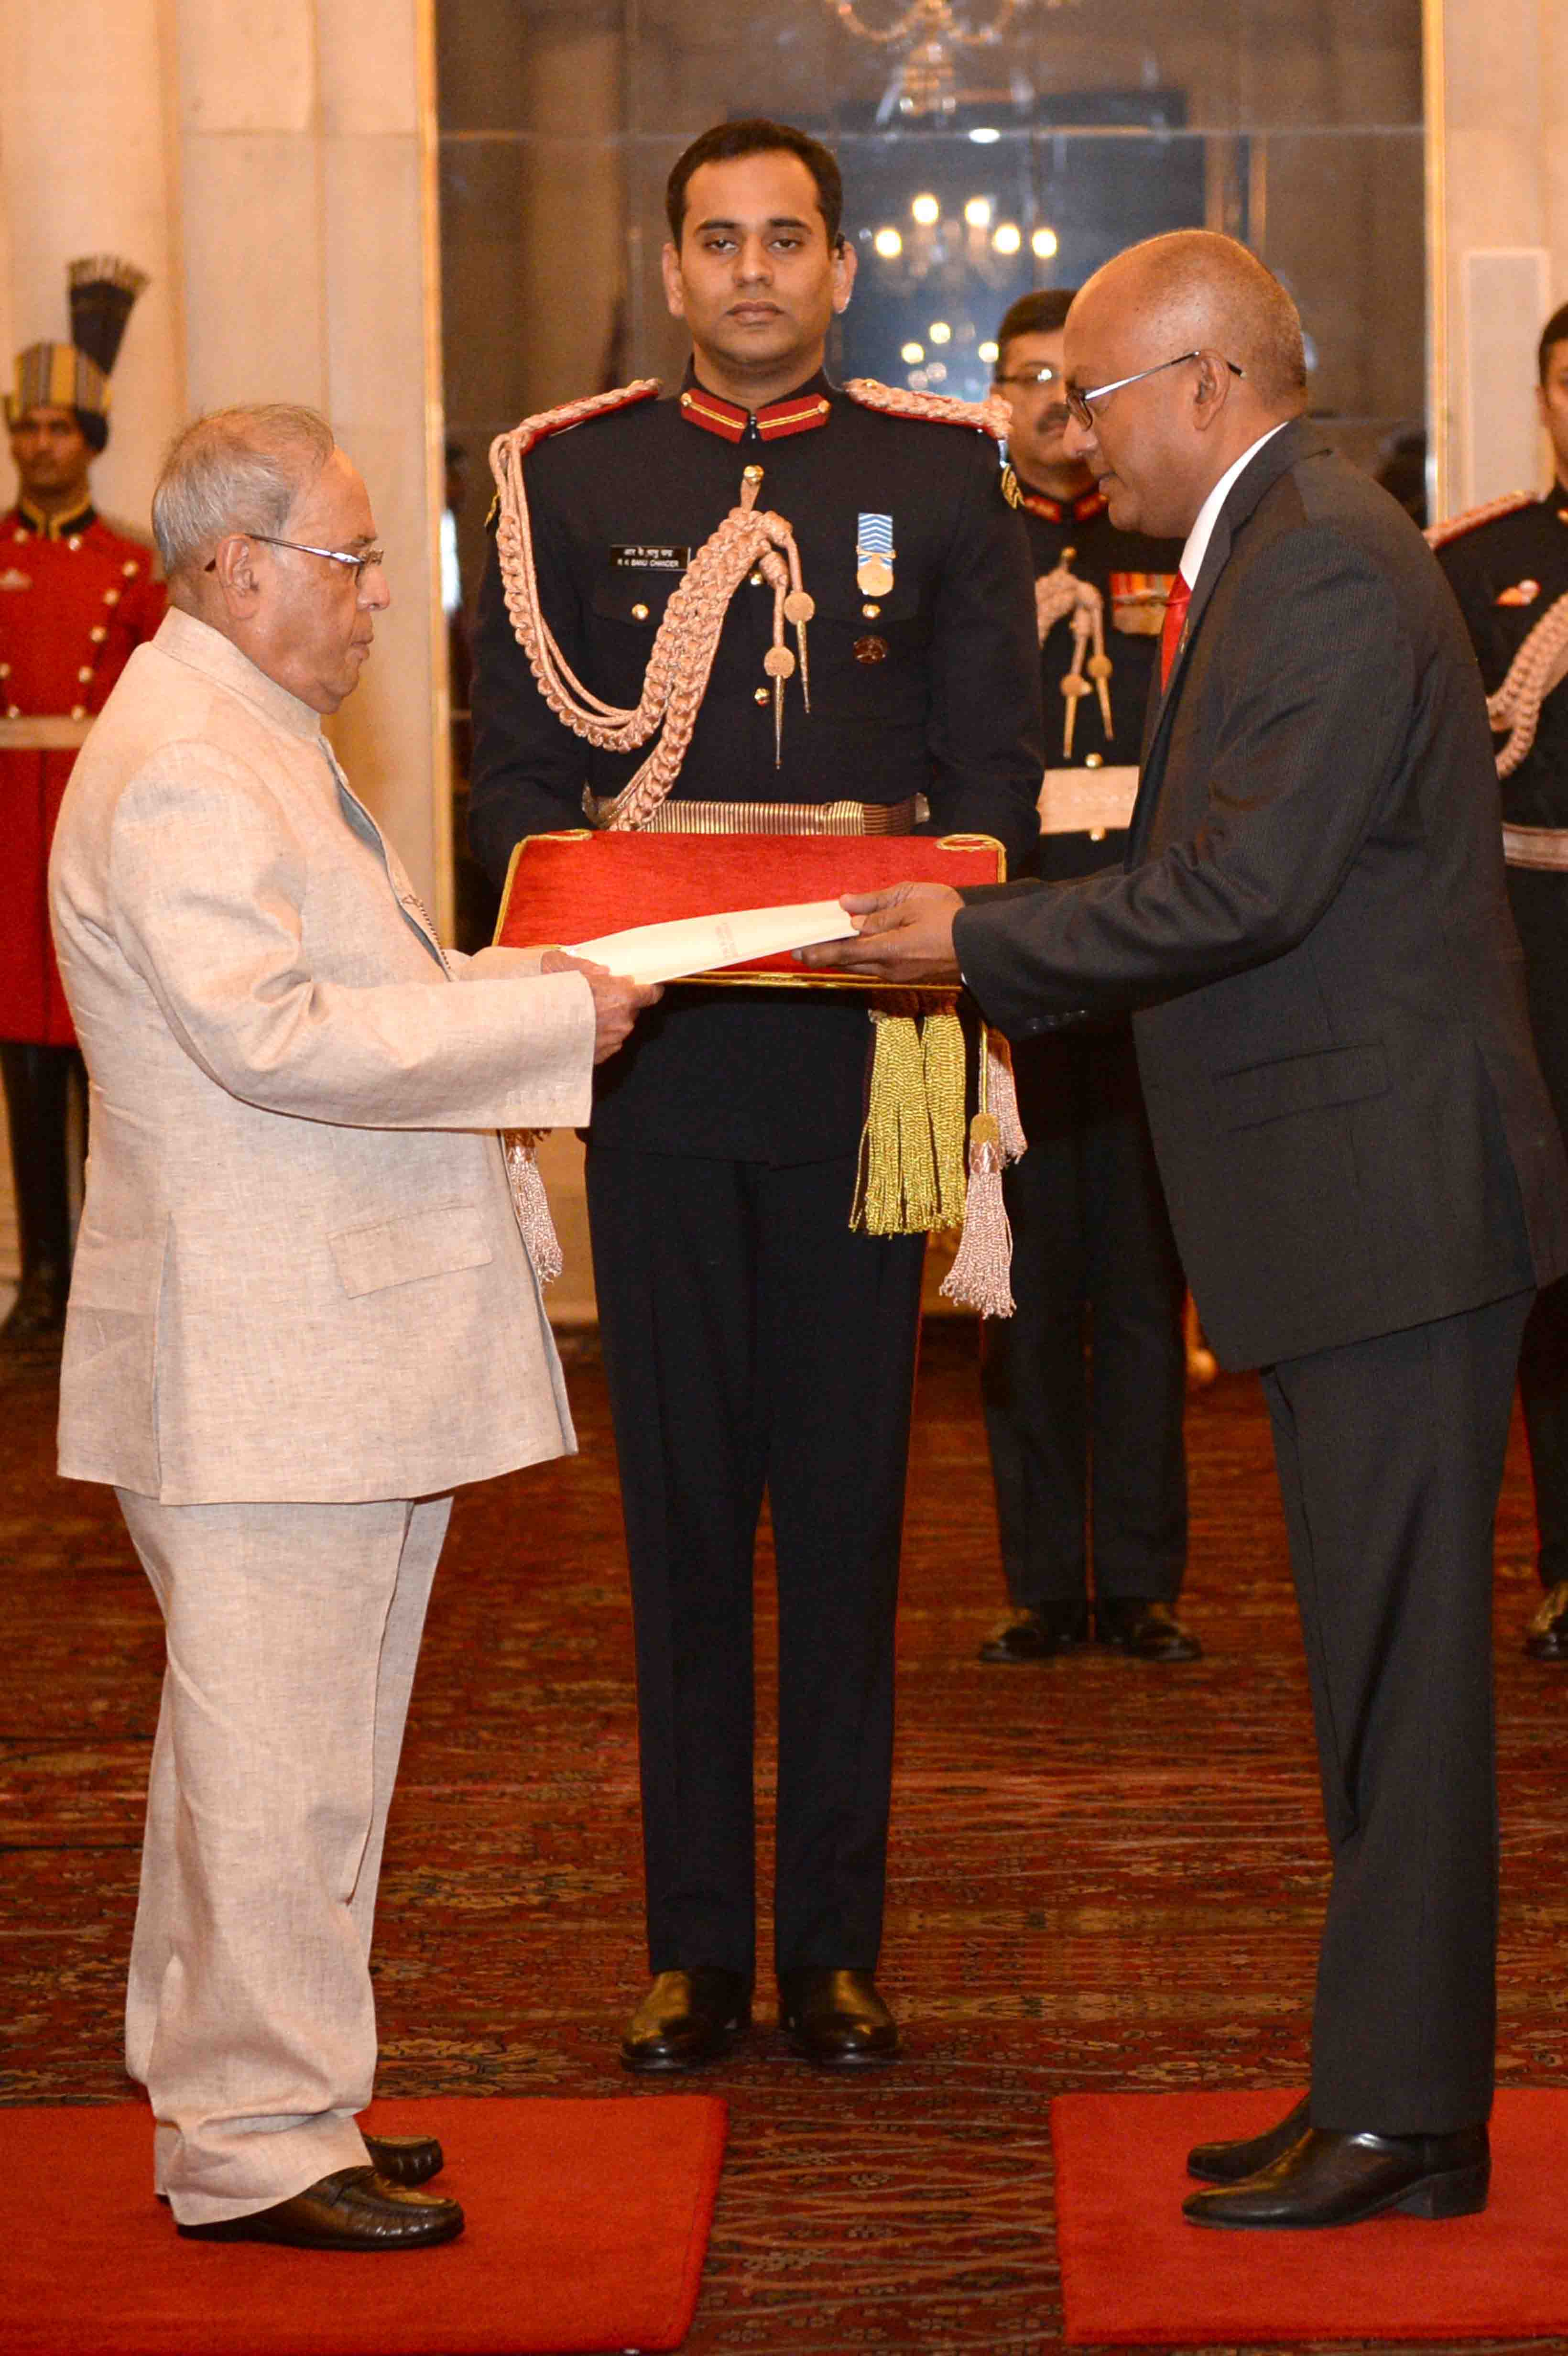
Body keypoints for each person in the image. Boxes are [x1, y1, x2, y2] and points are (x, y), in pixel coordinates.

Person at [803, 229, 1568, 2229]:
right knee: (1371, 1680)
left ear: (1206, 382)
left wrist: (970, 940)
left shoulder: (1312, 550)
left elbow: (1239, 890)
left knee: (1404, 1689)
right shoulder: (1278, 534)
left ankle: (1402, 2113)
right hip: (1354, 1204)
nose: (1069, 433)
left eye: (1093, 394)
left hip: (1392, 1206)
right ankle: (1386, 2092)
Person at [469, 117, 1041, 2074]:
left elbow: (991, 789)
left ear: (844, 265)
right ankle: (692, 1948)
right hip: (658, 1060)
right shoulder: (572, 473)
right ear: (669, 264)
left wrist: (940, 959)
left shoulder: (940, 472)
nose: (751, 274)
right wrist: (583, 972)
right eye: (716, 240)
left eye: (785, 239)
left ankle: (836, 1947)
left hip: (877, 1051)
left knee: (857, 1501)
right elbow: (519, 778)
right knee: (686, 1510)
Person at [49, 403, 656, 2249]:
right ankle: (253, 2136)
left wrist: (534, 981)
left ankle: (268, 2096)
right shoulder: (185, 759)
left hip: (308, 1350)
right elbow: (277, 1037)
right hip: (264, 1358)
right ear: (237, 565)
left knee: (291, 1752)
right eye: (352, 556)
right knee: (274, 1758)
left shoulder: (244, 732)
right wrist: (545, 1024)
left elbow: (348, 992)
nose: (386, 594)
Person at [977, 288, 1195, 1669]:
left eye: (1077, 380)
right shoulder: (966, 540)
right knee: (1031, 1289)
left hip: (1152, 953)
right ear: (993, 395)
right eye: (1027, 382)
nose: (1059, 406)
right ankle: (1046, 1583)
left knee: (1140, 1286)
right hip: (1011, 950)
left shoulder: (1162, 535)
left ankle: (1149, 1582)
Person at [1432, 301, 1568, 1661]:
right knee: (1550, 1263)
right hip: (1538, 934)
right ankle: (1566, 1559)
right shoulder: (1479, 562)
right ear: (1543, 398)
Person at [1, 259, 164, 1343]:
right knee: (22, 1056)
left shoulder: (136, 569)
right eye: (29, 428)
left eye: (63, 427)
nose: (43, 445)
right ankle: (41, 1281)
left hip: (97, 829)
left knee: (111, 1066)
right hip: (11, 826)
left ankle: (103, 1287)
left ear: (92, 440)